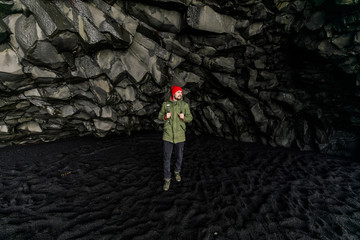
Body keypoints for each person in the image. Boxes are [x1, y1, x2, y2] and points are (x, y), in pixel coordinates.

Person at [158, 86, 193, 191]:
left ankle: (177, 172)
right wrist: (165, 117)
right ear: (173, 93)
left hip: (180, 136)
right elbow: (159, 116)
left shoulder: (184, 105)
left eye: (181, 93)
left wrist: (184, 118)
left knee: (179, 156)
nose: (180, 94)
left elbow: (190, 118)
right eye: (178, 92)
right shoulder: (166, 105)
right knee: (167, 158)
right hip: (168, 136)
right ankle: (167, 178)